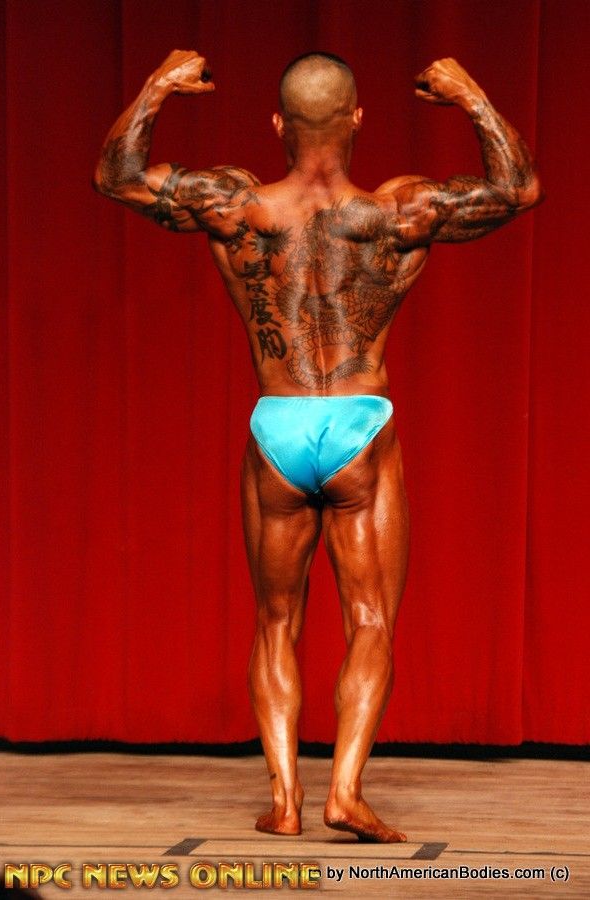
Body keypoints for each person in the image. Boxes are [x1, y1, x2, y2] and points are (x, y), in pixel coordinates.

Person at [94, 50, 543, 842]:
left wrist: (158, 85)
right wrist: (469, 94)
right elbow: (518, 190)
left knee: (276, 621)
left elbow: (117, 177)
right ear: (358, 119)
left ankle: (285, 803)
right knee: (370, 619)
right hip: (359, 425)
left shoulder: (236, 204)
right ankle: (344, 791)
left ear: (278, 124)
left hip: (278, 424)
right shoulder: (400, 210)